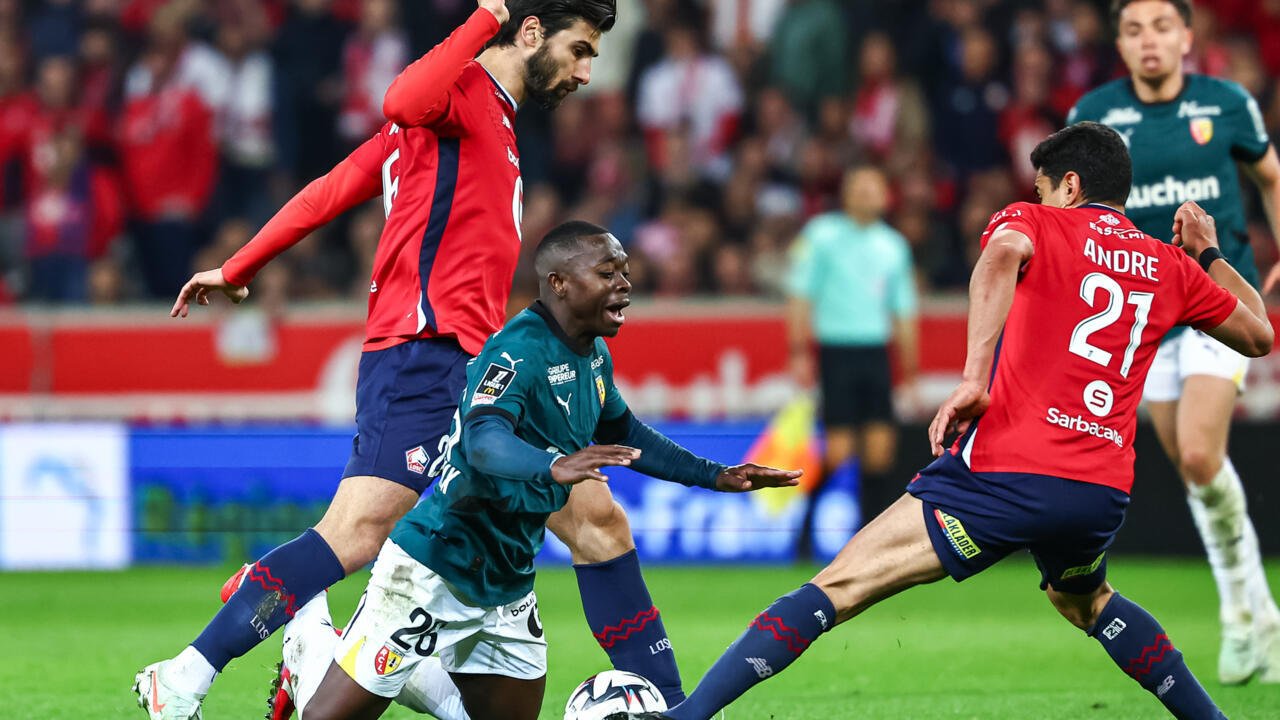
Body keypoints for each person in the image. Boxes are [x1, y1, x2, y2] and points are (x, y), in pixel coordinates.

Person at [129, 2, 695, 719]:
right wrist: (486, 10)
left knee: (598, 521)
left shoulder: (483, 121)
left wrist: (240, 264)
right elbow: (399, 97)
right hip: (425, 355)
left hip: (484, 369)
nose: (588, 71)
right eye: (581, 50)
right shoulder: (453, 99)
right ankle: (184, 676)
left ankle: (676, 708)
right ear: (528, 33)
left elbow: (329, 190)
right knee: (356, 533)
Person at [606, 123, 1274, 720]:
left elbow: (1002, 251)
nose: (1039, 199)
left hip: (1006, 472)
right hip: (1099, 490)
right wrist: (1209, 253)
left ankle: (686, 718)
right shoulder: (1168, 265)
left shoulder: (1037, 221)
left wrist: (973, 378)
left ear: (1069, 186)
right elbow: (1258, 336)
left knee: (837, 585)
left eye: (1044, 188)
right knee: (1085, 600)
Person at [276, 221, 801, 720]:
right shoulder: (516, 351)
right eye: (607, 273)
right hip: (434, 566)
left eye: (624, 271)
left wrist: (716, 474)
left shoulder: (592, 355)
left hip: (508, 583)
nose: (624, 285)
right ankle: (312, 640)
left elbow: (627, 432)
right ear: (559, 284)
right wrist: (554, 464)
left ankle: (385, 662)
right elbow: (482, 441)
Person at [1068, 0, 1280, 684]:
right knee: (1197, 474)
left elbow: (1270, 176)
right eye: (1133, 30)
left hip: (1219, 300)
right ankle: (1259, 612)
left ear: (1187, 37)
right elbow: (1070, 215)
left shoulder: (1225, 104)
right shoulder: (1095, 114)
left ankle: (1240, 617)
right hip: (1143, 317)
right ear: (1120, 45)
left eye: (1162, 26)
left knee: (1197, 451)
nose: (1149, 40)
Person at [786, 164, 919, 557]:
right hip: (837, 352)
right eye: (859, 186)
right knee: (840, 450)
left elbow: (904, 311)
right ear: (845, 194)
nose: (867, 194)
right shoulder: (821, 235)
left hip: (876, 353)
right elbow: (800, 295)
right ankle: (804, 532)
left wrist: (909, 371)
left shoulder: (893, 246)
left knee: (880, 452)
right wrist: (798, 351)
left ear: (886, 195)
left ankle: (867, 541)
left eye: (874, 187)